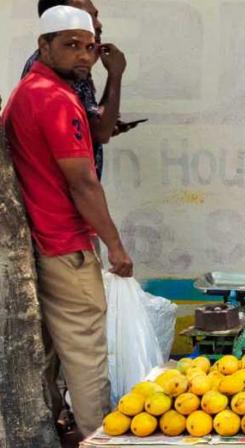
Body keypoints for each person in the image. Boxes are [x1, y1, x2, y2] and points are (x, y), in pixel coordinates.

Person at [1, 5, 133, 438]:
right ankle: (98, 437)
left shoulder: (26, 92)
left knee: (53, 354)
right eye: (71, 46)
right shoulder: (55, 100)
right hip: (65, 244)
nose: (83, 56)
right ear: (43, 45)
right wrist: (115, 245)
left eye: (89, 48)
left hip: (43, 242)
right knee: (86, 353)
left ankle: (60, 431)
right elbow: (83, 185)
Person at [22, 0, 139, 182]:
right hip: (64, 196)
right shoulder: (61, 68)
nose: (98, 24)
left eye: (96, 15)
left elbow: (89, 127)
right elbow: (100, 132)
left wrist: (96, 123)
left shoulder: (59, 61)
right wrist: (115, 74)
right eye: (89, 16)